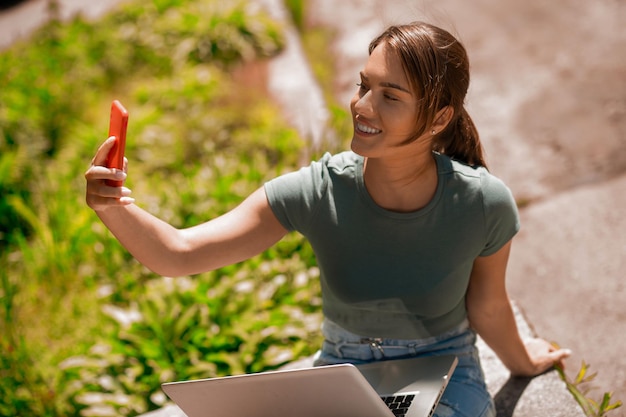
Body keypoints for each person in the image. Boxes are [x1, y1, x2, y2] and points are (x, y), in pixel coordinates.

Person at [85, 21, 571, 417]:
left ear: (440, 119)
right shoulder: (319, 190)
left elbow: (488, 306)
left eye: (390, 95)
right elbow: (179, 254)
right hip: (346, 372)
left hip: (445, 370)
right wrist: (114, 206)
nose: (361, 106)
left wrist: (524, 363)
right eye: (364, 85)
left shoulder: (483, 204)